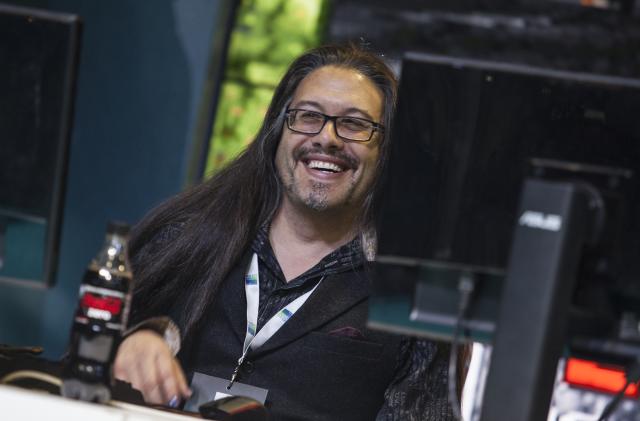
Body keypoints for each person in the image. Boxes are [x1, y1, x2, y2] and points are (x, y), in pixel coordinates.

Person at [114, 44, 466, 420]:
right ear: (278, 130)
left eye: (355, 124)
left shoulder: (415, 298)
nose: (327, 138)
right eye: (309, 116)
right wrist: (131, 339)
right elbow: (81, 360)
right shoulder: (184, 238)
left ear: (387, 152)